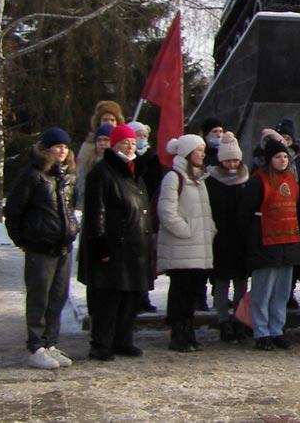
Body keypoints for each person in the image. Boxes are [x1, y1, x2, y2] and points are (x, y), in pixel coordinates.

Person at [4, 127, 80, 369]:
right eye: (57, 146)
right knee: (39, 297)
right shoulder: (33, 175)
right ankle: (35, 345)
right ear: (46, 149)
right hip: (40, 247)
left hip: (63, 246)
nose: (62, 151)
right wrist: (23, 240)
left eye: (65, 147)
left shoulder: (68, 176)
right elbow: (13, 210)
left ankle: (50, 343)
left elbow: (71, 206)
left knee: (58, 297)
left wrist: (72, 228)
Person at [77, 123, 152, 361]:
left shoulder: (135, 172)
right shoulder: (102, 173)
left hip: (134, 246)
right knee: (109, 299)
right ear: (114, 145)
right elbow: (96, 212)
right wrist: (100, 244)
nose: (130, 147)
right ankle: (101, 343)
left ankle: (123, 339)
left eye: (133, 143)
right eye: (125, 143)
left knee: (130, 296)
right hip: (113, 245)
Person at [240, 133, 300, 351]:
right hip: (265, 242)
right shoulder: (258, 181)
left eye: (284, 157)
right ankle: (261, 331)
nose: (282, 160)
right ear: (269, 160)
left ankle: (277, 329)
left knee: (282, 292)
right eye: (277, 157)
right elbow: (245, 213)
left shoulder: (291, 180)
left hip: (288, 242)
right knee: (263, 291)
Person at [156, 134, 216, 352]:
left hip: (198, 247)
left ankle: (188, 331)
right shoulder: (174, 177)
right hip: (182, 247)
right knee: (180, 292)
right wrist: (187, 231)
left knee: (191, 293)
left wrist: (209, 231)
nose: (203, 154)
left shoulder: (199, 178)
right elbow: (166, 211)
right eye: (199, 150)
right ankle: (178, 333)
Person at [206, 131, 250, 343]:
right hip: (221, 237)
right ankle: (223, 320)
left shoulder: (246, 179)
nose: (232, 164)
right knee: (221, 282)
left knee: (241, 282)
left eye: (235, 160)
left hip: (241, 238)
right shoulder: (212, 181)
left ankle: (239, 319)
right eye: (228, 160)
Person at [129, 121, 163, 313]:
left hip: (148, 209)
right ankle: (134, 297)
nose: (141, 139)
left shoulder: (153, 157)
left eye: (144, 135)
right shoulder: (128, 159)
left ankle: (144, 296)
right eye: (138, 135)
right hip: (133, 211)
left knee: (146, 260)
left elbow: (157, 184)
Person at [76, 100, 125, 190]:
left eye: (112, 120)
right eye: (105, 120)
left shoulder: (124, 144)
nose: (109, 122)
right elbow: (81, 172)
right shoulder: (89, 144)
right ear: (99, 122)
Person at [77, 122, 114, 196]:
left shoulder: (119, 162)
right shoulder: (88, 161)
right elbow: (81, 184)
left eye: (106, 140)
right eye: (99, 140)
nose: (102, 143)